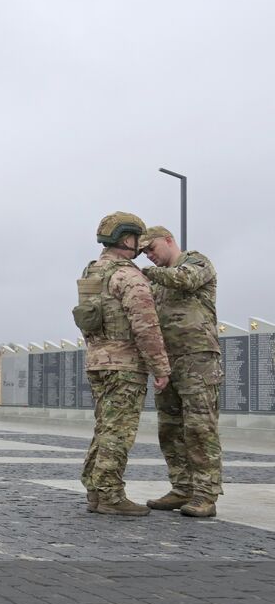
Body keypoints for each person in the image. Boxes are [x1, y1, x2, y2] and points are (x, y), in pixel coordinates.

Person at [75, 212, 171, 517]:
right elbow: (146, 326)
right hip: (125, 366)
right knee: (119, 431)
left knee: (105, 427)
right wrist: (161, 367)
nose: (140, 247)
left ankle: (94, 490)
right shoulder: (129, 276)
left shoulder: (92, 271)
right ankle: (110, 495)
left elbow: (87, 318)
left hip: (97, 361)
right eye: (136, 241)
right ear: (126, 239)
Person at [140, 226, 223, 518]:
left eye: (151, 249)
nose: (149, 256)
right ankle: (181, 487)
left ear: (168, 240)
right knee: (170, 428)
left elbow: (185, 280)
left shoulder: (196, 262)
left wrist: (144, 274)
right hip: (167, 362)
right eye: (144, 253)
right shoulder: (157, 282)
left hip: (197, 358)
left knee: (200, 427)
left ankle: (205, 494)